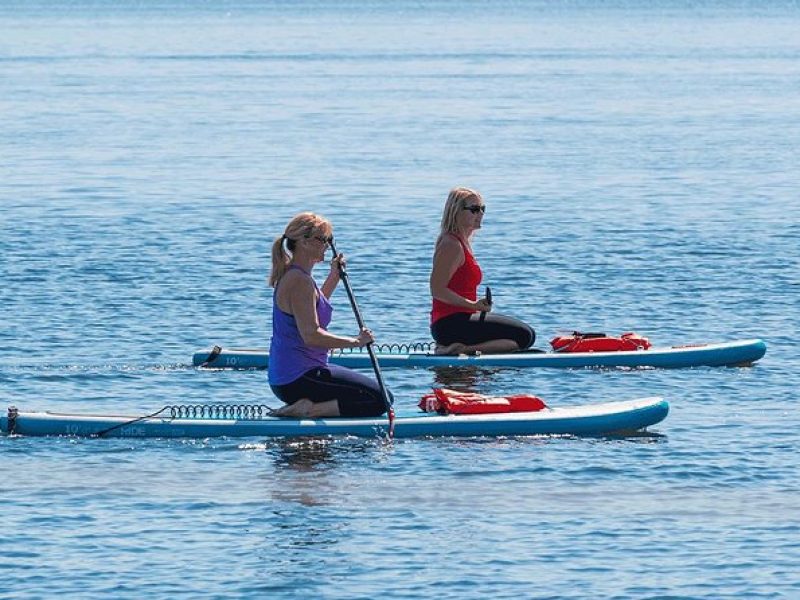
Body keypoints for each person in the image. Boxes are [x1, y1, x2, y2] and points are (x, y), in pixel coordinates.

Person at [268, 212, 388, 418]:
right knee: (380, 399)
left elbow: (312, 308)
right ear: (305, 242)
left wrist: (333, 277)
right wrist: (356, 342)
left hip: (293, 375)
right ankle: (308, 409)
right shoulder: (299, 281)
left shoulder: (299, 276)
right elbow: (311, 335)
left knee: (381, 395)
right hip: (297, 378)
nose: (328, 245)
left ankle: (308, 406)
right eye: (324, 240)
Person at [429, 187, 535, 355]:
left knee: (525, 337)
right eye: (474, 209)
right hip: (449, 324)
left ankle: (458, 348)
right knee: (525, 336)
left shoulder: (462, 243)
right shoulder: (451, 245)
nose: (480, 214)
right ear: (456, 211)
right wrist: (472, 305)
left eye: (482, 209)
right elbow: (437, 289)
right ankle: (458, 350)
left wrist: (478, 306)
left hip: (462, 318)